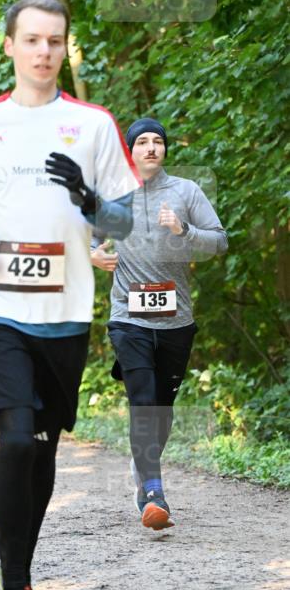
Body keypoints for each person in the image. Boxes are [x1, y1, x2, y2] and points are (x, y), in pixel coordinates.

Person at [0, 0, 140, 590]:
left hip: (65, 313)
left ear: (64, 46)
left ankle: (19, 583)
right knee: (16, 441)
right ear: (10, 46)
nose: (44, 52)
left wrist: (86, 196)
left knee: (42, 447)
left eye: (54, 41)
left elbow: (125, 219)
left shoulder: (93, 124)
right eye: (32, 40)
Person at [92, 117, 227, 531]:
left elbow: (219, 241)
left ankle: (143, 465)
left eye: (158, 141)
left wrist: (183, 230)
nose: (151, 147)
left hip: (176, 319)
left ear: (165, 148)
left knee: (162, 411)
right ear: (130, 150)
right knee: (143, 399)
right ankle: (153, 492)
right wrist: (95, 255)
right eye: (142, 142)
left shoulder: (185, 191)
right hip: (128, 318)